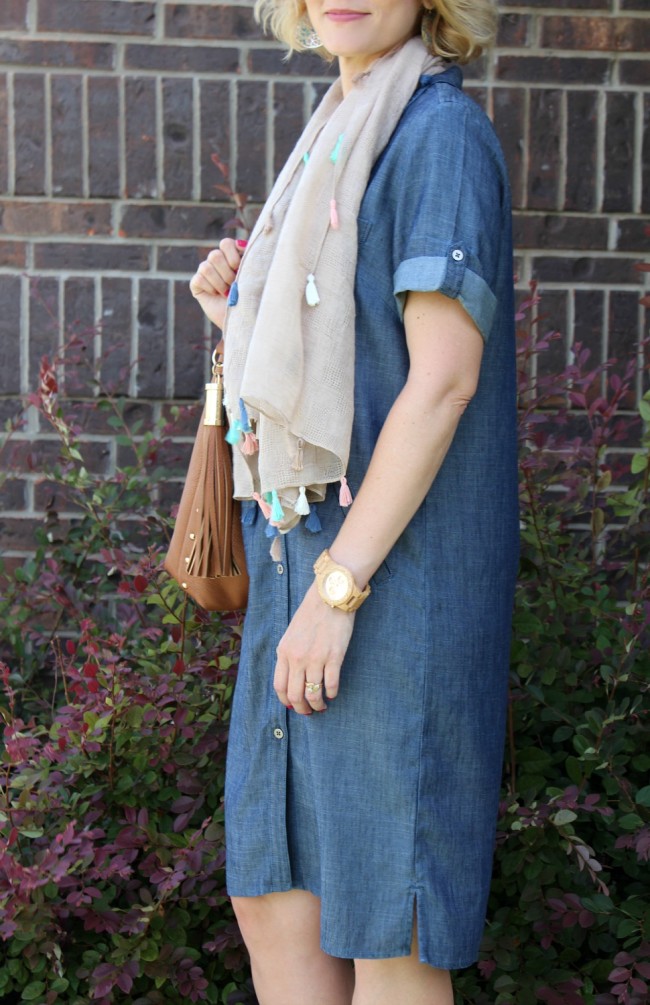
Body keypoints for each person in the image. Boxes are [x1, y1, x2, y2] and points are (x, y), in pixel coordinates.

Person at [189, 0, 519, 1001]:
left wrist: (336, 595)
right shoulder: (335, 131)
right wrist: (235, 317)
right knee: (276, 901)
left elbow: (442, 382)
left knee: (388, 929)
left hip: (381, 587)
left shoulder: (436, 135)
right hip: (301, 566)